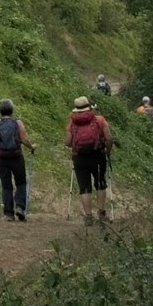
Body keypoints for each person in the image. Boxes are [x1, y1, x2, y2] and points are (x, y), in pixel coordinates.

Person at [66, 95, 114, 227]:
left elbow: (68, 142)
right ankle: (101, 214)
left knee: (84, 187)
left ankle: (88, 217)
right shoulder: (99, 120)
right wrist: (107, 151)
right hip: (97, 155)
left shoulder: (72, 122)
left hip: (80, 158)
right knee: (100, 184)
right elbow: (109, 138)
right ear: (89, 107)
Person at [0, 99, 30, 221]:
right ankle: (20, 208)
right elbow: (24, 139)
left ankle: (8, 214)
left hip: (1, 158)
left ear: (0, 111)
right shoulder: (17, 123)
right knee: (21, 183)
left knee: (6, 186)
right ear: (12, 110)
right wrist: (32, 147)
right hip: (16, 157)